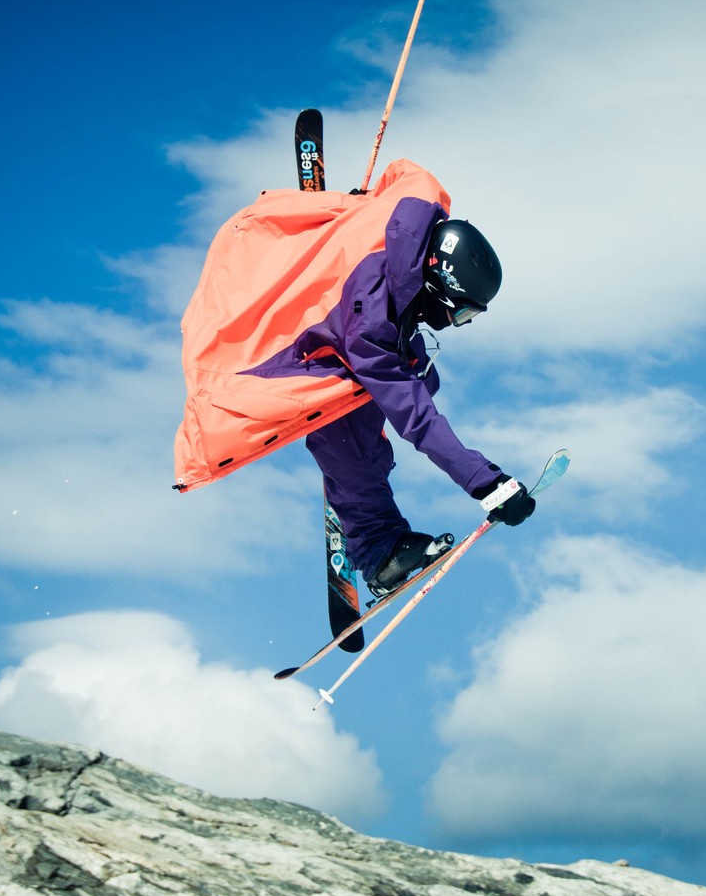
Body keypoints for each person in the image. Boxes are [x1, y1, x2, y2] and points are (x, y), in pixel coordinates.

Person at [173, 158, 535, 601]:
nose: (458, 323)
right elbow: (415, 418)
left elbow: (402, 171)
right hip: (255, 341)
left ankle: (365, 497)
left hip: (276, 260)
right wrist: (486, 482)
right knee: (346, 415)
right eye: (461, 313)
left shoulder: (414, 203)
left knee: (415, 373)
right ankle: (378, 547)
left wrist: (358, 202)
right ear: (437, 285)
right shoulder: (371, 323)